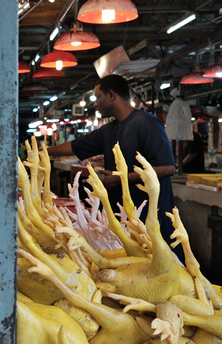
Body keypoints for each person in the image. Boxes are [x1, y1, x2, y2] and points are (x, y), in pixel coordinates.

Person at [47, 74, 179, 258]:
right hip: (121, 220)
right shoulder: (109, 130)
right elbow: (76, 145)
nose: (95, 104)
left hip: (149, 218)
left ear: (111, 95)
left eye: (97, 97)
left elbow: (167, 168)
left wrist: (121, 178)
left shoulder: (147, 123)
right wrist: (44, 152)